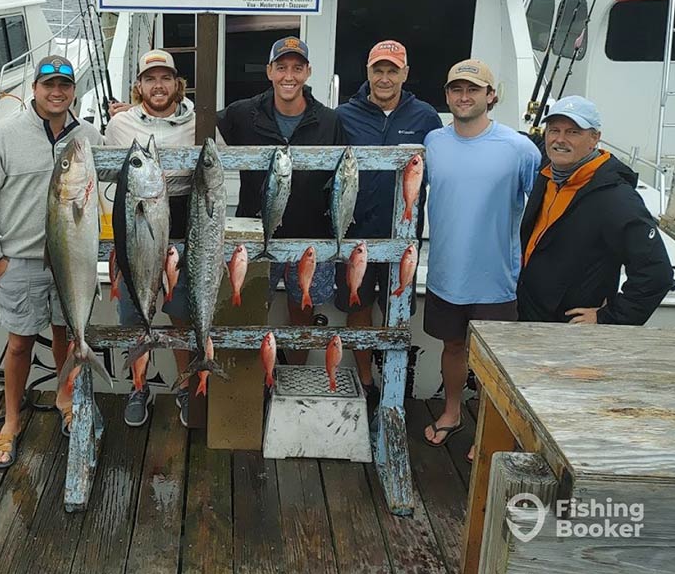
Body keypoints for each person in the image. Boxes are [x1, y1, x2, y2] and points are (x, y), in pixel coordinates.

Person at [0, 55, 103, 468]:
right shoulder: (3, 136)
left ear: (73, 91)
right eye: (49, 85)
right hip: (22, 260)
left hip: (74, 260)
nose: (57, 92)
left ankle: (64, 398)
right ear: (35, 89)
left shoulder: (90, 137)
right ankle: (11, 420)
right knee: (20, 342)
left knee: (66, 333)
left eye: (64, 84)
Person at [422, 59, 540, 447]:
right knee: (452, 347)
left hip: (497, 279)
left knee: (495, 362)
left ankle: (490, 431)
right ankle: (452, 412)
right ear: (447, 96)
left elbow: (540, 207)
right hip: (445, 274)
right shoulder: (433, 143)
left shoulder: (520, 148)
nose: (464, 96)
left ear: (491, 96)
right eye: (457, 89)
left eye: (473, 89)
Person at [217, 37, 345, 351]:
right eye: (282, 67)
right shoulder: (242, 113)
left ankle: (290, 380)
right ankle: (249, 391)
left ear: (308, 72)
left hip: (310, 235)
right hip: (254, 234)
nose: (289, 75)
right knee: (246, 311)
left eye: (297, 68)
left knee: (302, 313)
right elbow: (201, 125)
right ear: (269, 71)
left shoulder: (329, 120)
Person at [334, 40, 441, 413]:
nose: (384, 77)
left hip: (404, 238)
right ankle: (366, 383)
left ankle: (393, 386)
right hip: (355, 234)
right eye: (378, 69)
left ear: (405, 74)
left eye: (392, 70)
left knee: (396, 307)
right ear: (367, 72)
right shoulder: (343, 115)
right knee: (357, 306)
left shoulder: (426, 117)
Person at [518, 96, 673, 324]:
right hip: (529, 314)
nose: (560, 139)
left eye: (573, 132)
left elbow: (656, 274)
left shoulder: (616, 199)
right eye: (554, 130)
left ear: (595, 139)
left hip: (568, 330)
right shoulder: (548, 175)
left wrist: (607, 318)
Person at [103, 49, 195, 428]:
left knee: (180, 315)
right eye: (150, 78)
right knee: (134, 313)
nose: (158, 85)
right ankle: (137, 385)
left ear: (177, 84)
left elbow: (220, 164)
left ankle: (186, 384)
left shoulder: (198, 121)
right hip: (135, 219)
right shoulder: (119, 126)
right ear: (139, 86)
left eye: (165, 78)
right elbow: (107, 173)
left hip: (181, 216)